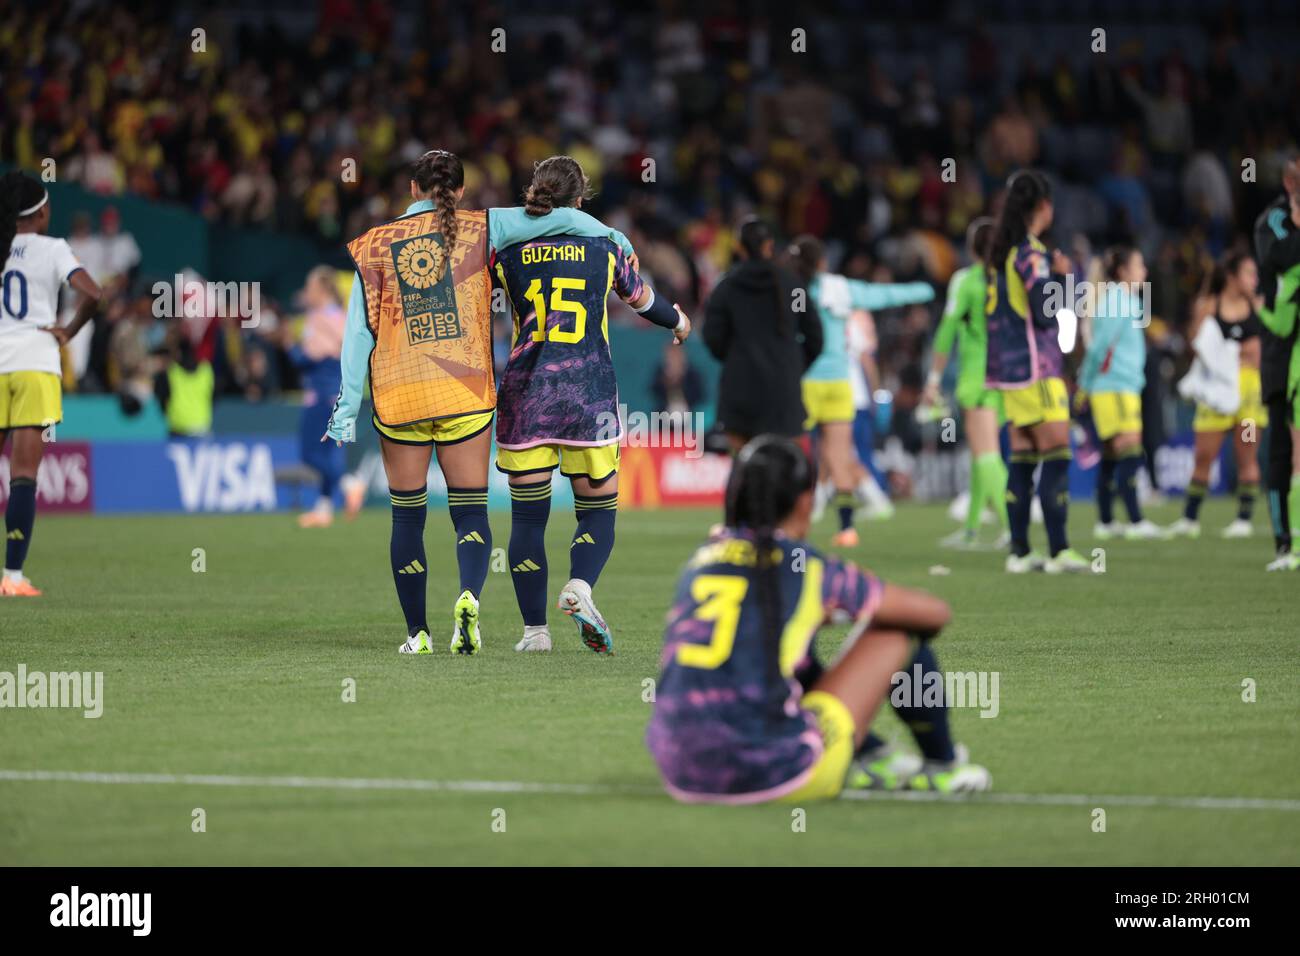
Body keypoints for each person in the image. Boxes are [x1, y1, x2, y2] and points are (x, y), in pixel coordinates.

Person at [326, 150, 642, 655]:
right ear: (462, 190)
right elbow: (558, 214)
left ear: (411, 189)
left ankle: (418, 635)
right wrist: (616, 240)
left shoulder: (373, 246)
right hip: (464, 392)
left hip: (399, 393)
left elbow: (356, 335)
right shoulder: (483, 227)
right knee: (471, 514)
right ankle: (468, 599)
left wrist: (345, 411)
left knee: (407, 517)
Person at [645, 435, 991, 804]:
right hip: (777, 773)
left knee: (790, 650)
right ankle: (943, 766)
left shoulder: (704, 556)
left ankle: (874, 757)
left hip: (679, 771)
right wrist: (837, 613)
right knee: (899, 632)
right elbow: (934, 613)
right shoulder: (805, 566)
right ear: (805, 502)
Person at [493, 155, 691, 655]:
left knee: (526, 522)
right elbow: (642, 299)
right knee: (598, 513)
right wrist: (679, 322)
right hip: (589, 394)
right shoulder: (604, 245)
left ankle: (534, 633)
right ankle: (580, 586)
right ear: (581, 200)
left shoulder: (505, 252)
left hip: (524, 394)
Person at [791, 235, 933, 548]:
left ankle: (792, 523)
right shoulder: (840, 288)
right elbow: (881, 296)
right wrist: (924, 288)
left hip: (807, 381)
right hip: (841, 382)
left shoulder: (791, 289)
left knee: (799, 456)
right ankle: (846, 530)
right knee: (841, 457)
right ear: (822, 262)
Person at [984, 170, 1093, 573]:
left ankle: (1019, 553)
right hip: (1038, 368)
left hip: (1009, 372)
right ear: (1042, 207)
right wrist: (1066, 277)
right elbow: (1047, 315)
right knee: (1058, 455)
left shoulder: (1002, 254)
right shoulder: (1031, 254)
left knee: (1024, 460)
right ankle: (1060, 550)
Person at [0, 171, 103, 596]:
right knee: (23, 476)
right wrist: (68, 332)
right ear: (41, 212)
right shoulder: (53, 248)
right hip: (35, 364)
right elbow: (93, 293)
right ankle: (12, 578)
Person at [924, 217, 1010, 550]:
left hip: (975, 376)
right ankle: (972, 530)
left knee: (986, 454)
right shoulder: (1005, 282)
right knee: (981, 454)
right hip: (1004, 377)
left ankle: (1013, 528)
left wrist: (932, 379)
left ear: (971, 248)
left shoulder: (965, 281)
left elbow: (946, 332)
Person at [1169, 252, 1267, 539]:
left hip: (1250, 396)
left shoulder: (1258, 306)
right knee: (1203, 455)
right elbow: (1195, 345)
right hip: (1215, 394)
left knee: (1247, 454)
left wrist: (1237, 352)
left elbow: (1262, 351)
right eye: (1249, 273)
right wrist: (1234, 352)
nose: (1254, 279)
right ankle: (1189, 520)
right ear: (1232, 277)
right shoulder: (1210, 306)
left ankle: (1244, 520)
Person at [702, 218, 822, 451]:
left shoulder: (727, 287)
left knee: (743, 467)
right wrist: (794, 365)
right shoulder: (793, 286)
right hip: (783, 393)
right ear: (769, 246)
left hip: (740, 391)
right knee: (787, 467)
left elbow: (713, 337)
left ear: (739, 248)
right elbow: (815, 338)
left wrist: (736, 359)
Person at [1077, 247, 1163, 540]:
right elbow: (1100, 346)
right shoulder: (1117, 299)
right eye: (1139, 266)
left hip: (1119, 384)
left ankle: (1105, 521)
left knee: (1113, 454)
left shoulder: (1124, 299)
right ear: (1123, 271)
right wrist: (1085, 384)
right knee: (1129, 449)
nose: (1144, 272)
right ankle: (1136, 522)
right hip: (1113, 386)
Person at [1254, 157, 1300, 569]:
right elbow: (1283, 256)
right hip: (1282, 350)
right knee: (1283, 446)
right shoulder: (1272, 220)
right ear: (1289, 182)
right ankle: (1285, 541)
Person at [288, 266, 359, 527]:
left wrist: (288, 345)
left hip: (319, 396)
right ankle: (324, 508)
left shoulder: (317, 318)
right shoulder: (343, 316)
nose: (306, 293)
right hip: (341, 396)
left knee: (309, 454)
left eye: (310, 287)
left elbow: (306, 359)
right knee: (330, 454)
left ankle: (349, 482)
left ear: (321, 290)